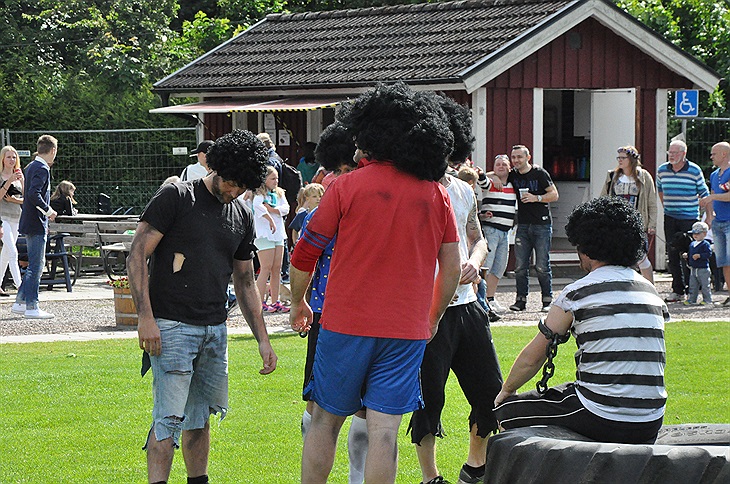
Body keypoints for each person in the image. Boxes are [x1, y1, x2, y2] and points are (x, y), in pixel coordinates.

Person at [289, 82, 462, 484]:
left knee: (325, 422)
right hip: (406, 330)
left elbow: (303, 255)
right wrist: (432, 317)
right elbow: (452, 268)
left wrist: (298, 301)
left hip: (345, 324)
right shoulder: (436, 195)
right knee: (384, 432)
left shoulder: (344, 187)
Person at [128, 130, 278, 484]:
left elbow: (245, 280)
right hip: (171, 327)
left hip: (215, 329)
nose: (234, 191)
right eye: (231, 182)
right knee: (168, 421)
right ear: (217, 167)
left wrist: (263, 339)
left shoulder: (241, 214)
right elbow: (136, 255)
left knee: (199, 420)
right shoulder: (177, 196)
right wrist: (145, 318)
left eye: (242, 186)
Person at [494, 196, 669, 445]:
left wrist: (507, 390)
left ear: (586, 248)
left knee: (507, 412)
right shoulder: (649, 291)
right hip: (651, 419)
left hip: (600, 413)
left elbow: (533, 357)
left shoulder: (577, 293)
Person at [408, 94, 503, 484]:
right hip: (428, 309)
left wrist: (475, 263)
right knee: (429, 397)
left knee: (490, 391)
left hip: (468, 306)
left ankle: (474, 466)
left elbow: (478, 238)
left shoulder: (463, 190)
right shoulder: (412, 190)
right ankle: (430, 477)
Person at [299, 121, 368, 484]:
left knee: (354, 407)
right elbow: (306, 259)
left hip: (341, 316)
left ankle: (353, 477)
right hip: (333, 315)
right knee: (323, 404)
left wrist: (298, 302)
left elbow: (303, 261)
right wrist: (301, 302)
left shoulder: (346, 206)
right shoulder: (325, 210)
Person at [497, 145, 558, 312]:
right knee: (520, 266)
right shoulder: (513, 174)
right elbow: (495, 174)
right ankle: (520, 300)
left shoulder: (539, 173)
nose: (516, 160)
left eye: (519, 157)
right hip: (523, 225)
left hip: (542, 224)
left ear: (528, 157)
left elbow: (554, 194)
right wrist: (493, 177)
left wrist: (536, 198)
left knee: (542, 265)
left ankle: (547, 300)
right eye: (513, 157)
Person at [656, 139, 709, 302]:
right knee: (672, 253)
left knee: (690, 254)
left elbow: (704, 193)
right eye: (670, 152)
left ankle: (692, 290)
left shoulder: (694, 170)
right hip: (670, 217)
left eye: (675, 152)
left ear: (683, 154)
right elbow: (660, 190)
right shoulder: (662, 170)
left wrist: (707, 216)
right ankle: (677, 290)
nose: (671, 155)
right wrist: (666, 207)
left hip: (689, 218)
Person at [11, 135, 58, 319]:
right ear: (53, 150)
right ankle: (32, 306)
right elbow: (33, 194)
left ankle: (20, 303)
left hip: (30, 221)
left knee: (33, 265)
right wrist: (48, 211)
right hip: (37, 222)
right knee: (37, 266)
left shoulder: (31, 166)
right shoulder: (42, 168)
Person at [600, 146, 657, 283]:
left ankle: (651, 288)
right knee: (616, 257)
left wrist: (652, 224)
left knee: (641, 258)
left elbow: (651, 202)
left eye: (623, 158)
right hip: (616, 223)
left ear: (631, 159)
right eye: (618, 157)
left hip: (635, 223)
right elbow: (603, 198)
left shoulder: (644, 176)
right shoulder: (612, 176)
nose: (619, 160)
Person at [479, 154, 517, 313]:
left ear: (510, 168)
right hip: (491, 230)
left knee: (499, 267)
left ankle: (491, 298)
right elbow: (478, 175)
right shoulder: (489, 183)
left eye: (504, 164)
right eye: (497, 164)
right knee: (486, 266)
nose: (501, 167)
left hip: (506, 232)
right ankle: (482, 300)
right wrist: (492, 176)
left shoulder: (514, 184)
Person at [253, 165, 290, 313]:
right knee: (266, 268)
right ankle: (259, 302)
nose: (276, 181)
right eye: (272, 178)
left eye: (277, 178)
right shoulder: (258, 193)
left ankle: (275, 301)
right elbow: (257, 206)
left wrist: (273, 210)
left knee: (277, 268)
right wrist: (269, 218)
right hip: (264, 234)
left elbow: (285, 208)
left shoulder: (279, 193)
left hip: (278, 234)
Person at [700, 141, 730, 306]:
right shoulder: (714, 175)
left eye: (714, 154)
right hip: (718, 222)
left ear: (724, 154)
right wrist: (710, 216)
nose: (711, 157)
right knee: (724, 261)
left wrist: (711, 197)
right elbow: (711, 195)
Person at [0, 145, 24, 295]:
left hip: (16, 217)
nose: (12, 160)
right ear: (3, 159)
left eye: (14, 157)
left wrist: (16, 200)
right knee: (13, 252)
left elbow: (27, 198)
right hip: (2, 217)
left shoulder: (20, 176)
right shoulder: (1, 176)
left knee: (7, 252)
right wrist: (9, 181)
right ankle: (20, 286)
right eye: (8, 157)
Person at [683, 221, 713, 305]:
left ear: (704, 234)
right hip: (693, 268)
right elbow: (691, 253)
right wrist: (687, 255)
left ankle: (707, 300)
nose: (695, 235)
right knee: (693, 285)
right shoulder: (692, 244)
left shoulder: (705, 244)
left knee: (705, 285)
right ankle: (692, 299)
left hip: (703, 268)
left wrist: (700, 255)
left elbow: (708, 254)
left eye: (698, 233)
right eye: (694, 233)